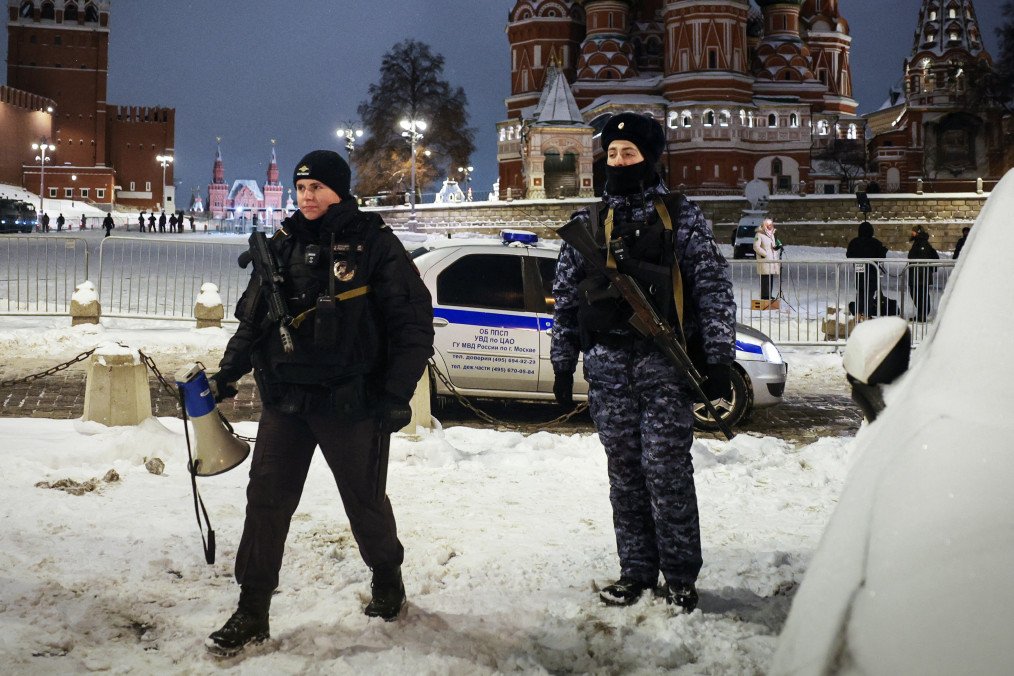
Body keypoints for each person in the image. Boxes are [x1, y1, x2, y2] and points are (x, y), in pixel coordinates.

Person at [204, 150, 434, 656]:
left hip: (352, 402)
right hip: (287, 401)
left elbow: (413, 324)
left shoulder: (373, 245)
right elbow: (253, 322)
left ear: (338, 190)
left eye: (317, 189)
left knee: (364, 500)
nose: (307, 197)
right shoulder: (282, 245)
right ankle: (252, 609)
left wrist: (396, 396)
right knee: (265, 500)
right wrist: (226, 374)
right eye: (301, 188)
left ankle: (387, 576)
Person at [551, 112, 735, 614]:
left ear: (650, 158)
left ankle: (679, 576)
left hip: (663, 367)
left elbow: (712, 287)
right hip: (609, 369)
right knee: (625, 474)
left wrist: (718, 357)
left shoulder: (679, 215)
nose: (619, 161)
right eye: (611, 154)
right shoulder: (590, 224)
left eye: (628, 153)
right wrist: (564, 362)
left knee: (667, 472)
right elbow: (566, 300)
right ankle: (635, 571)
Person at [846, 221, 888, 318]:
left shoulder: (854, 242)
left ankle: (858, 314)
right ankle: (867, 315)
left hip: (859, 273)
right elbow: (881, 256)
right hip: (872, 274)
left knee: (860, 294)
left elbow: (849, 255)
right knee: (869, 296)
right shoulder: (875, 243)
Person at [907, 225, 938, 322]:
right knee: (918, 294)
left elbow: (932, 257)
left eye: (914, 231)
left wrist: (929, 270)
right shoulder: (920, 242)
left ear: (918, 232)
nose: (912, 233)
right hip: (919, 274)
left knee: (920, 295)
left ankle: (923, 314)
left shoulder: (922, 243)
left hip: (920, 275)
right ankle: (921, 314)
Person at [753, 218, 780, 300]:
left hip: (772, 260)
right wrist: (764, 254)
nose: (770, 226)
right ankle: (765, 296)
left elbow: (772, 246)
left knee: (770, 278)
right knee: (765, 279)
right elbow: (756, 246)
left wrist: (776, 248)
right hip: (764, 260)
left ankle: (769, 294)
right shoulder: (759, 234)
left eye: (771, 225)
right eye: (768, 225)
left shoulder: (772, 234)